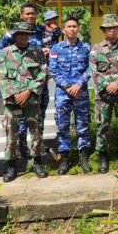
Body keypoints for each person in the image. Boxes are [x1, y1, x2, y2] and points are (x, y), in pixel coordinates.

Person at [0, 3, 61, 160]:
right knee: (18, 123)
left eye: (33, 14)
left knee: (38, 119)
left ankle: (38, 148)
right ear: (21, 15)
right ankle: (22, 148)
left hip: (38, 84)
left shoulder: (42, 31)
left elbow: (53, 46)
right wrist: (14, 61)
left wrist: (47, 53)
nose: (31, 16)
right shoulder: (12, 34)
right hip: (16, 87)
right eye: (27, 14)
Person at [0, 22, 47, 182]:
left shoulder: (37, 52)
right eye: (20, 33)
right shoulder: (5, 53)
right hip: (12, 102)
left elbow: (43, 73)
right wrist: (15, 95)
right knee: (11, 134)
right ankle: (11, 167)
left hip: (31, 99)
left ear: (30, 35)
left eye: (26, 33)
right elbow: (2, 77)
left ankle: (38, 163)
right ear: (15, 35)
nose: (23, 36)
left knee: (36, 132)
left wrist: (28, 92)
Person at [89, 14, 118, 173]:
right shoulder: (96, 49)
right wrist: (107, 86)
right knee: (102, 126)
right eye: (109, 28)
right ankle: (103, 158)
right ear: (103, 30)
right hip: (103, 95)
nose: (112, 30)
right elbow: (93, 72)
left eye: (115, 27)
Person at [49, 16, 92, 175]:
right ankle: (65, 158)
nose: (72, 29)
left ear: (78, 28)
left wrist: (78, 84)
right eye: (69, 26)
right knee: (63, 126)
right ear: (63, 29)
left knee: (83, 124)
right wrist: (67, 86)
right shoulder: (56, 49)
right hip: (63, 93)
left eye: (75, 26)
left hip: (80, 91)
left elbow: (91, 68)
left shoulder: (86, 47)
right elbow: (53, 70)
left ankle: (84, 157)